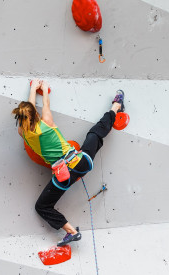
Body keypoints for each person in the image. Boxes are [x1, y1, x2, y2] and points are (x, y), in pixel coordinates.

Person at [12, 79, 124, 246]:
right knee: (94, 133)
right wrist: (38, 88)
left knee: (42, 206)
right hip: (80, 162)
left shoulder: (22, 132)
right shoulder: (47, 122)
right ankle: (116, 106)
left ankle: (71, 232)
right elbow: (43, 104)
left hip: (64, 176)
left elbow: (29, 109)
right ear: (35, 114)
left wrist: (32, 91)